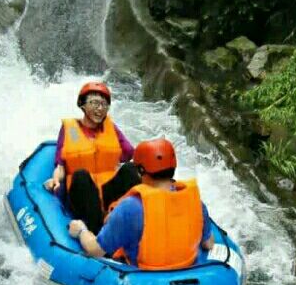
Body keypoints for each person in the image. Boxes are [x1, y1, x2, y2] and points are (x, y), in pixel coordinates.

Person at [68, 138, 215, 270]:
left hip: (140, 275)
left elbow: (95, 250)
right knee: (127, 170)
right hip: (186, 269)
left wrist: (81, 231)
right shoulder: (196, 202)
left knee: (82, 178)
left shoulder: (130, 208)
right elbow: (208, 244)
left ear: (141, 170)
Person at [45, 82, 140, 234]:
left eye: (104, 104)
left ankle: (138, 222)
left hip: (108, 195)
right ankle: (97, 232)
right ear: (82, 105)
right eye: (95, 103)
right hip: (81, 195)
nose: (100, 108)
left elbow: (128, 153)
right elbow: (60, 166)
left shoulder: (110, 128)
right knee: (81, 175)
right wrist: (56, 180)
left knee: (130, 168)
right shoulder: (70, 129)